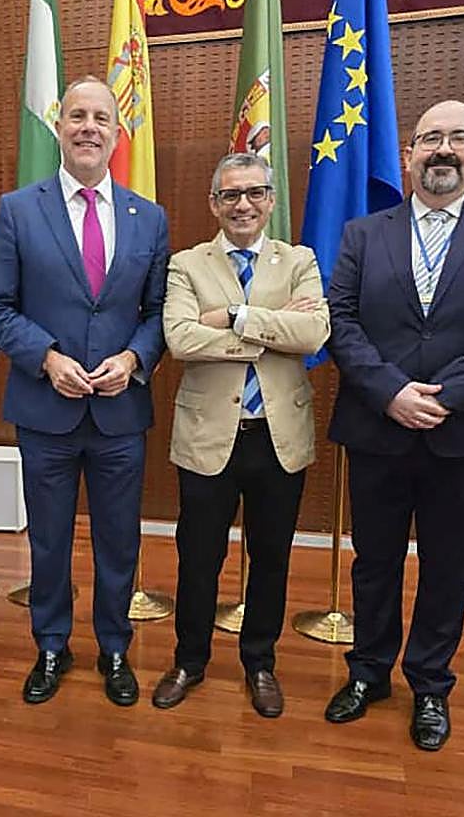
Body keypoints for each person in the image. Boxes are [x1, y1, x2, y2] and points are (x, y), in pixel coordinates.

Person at [323, 100, 464, 750]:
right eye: (430, 139)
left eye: (458, 138)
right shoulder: (366, 233)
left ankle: (430, 685)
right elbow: (341, 320)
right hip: (378, 425)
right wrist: (392, 390)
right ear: (409, 154)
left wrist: (445, 396)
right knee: (375, 563)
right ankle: (368, 673)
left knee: (448, 565)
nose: (443, 150)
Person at [0, 76, 169, 706]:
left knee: (120, 540)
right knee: (49, 539)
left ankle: (115, 648)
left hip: (120, 411)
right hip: (46, 410)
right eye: (77, 116)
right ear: (58, 127)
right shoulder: (18, 209)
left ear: (117, 134)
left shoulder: (150, 216)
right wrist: (47, 358)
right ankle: (51, 646)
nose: (89, 127)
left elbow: (157, 312)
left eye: (101, 118)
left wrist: (134, 358)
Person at [154, 152, 329, 717]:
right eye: (231, 195)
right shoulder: (187, 264)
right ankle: (190, 660)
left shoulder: (299, 259)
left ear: (271, 200)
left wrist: (233, 316)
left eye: (255, 193)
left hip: (277, 436)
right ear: (214, 204)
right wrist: (273, 323)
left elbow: (314, 333)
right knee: (198, 556)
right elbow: (179, 340)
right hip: (210, 437)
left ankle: (260, 662)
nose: (243, 204)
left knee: (271, 555)